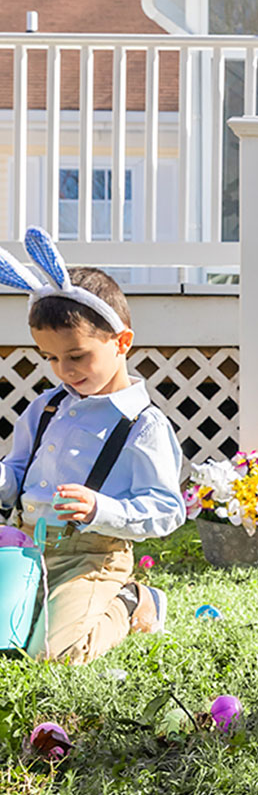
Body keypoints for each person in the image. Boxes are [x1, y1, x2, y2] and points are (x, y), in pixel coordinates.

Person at [0, 227, 185, 663]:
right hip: (28, 549)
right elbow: (16, 476)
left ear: (121, 342)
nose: (63, 370)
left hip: (93, 558)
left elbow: (166, 508)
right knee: (9, 644)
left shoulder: (141, 424)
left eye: (76, 355)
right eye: (50, 357)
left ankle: (133, 600)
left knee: (56, 653)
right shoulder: (45, 409)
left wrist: (102, 509)